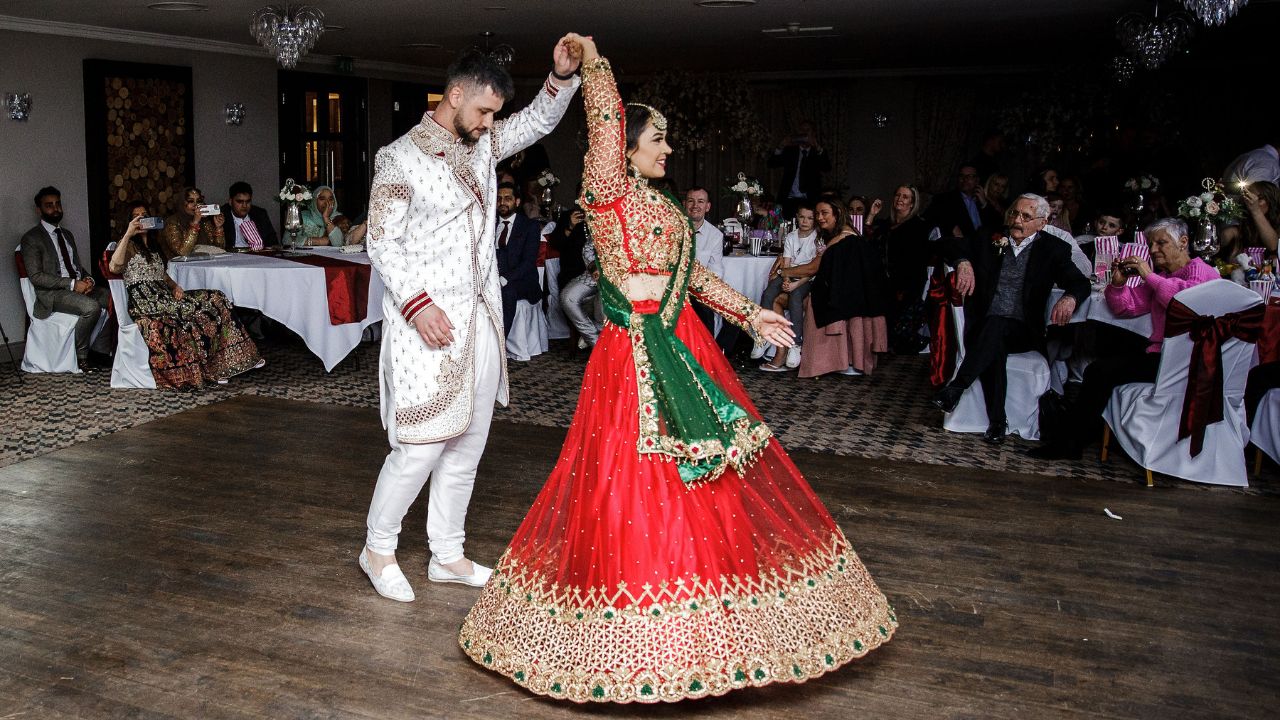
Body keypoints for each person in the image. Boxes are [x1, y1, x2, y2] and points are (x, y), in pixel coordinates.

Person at [458, 35, 896, 704]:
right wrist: (595, 66)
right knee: (630, 480)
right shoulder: (608, 194)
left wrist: (754, 317)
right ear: (626, 149)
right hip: (631, 355)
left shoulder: (663, 209)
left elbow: (693, 280)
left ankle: (708, 627)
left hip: (682, 345)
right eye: (657, 140)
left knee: (704, 476)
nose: (667, 150)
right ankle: (632, 635)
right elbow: (603, 121)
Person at [359, 41, 581, 603]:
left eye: (493, 116)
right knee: (421, 445)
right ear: (454, 95)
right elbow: (382, 242)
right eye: (483, 110)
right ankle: (377, 549)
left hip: (481, 321)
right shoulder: (398, 158)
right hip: (424, 324)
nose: (489, 124)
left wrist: (559, 77)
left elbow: (535, 121)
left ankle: (447, 554)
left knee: (467, 445)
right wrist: (417, 304)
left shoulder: (482, 143)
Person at [1030, 217, 1219, 459]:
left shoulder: (1202, 272)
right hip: (1164, 355)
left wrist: (1149, 275)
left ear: (1183, 242)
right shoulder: (1163, 275)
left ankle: (1072, 441)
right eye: (1151, 244)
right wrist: (1118, 285)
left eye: (1161, 243)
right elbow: (1126, 308)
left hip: (1187, 362)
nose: (1153, 250)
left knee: (1101, 371)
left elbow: (1182, 304)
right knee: (1104, 361)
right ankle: (1077, 436)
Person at [931, 194, 1090, 443]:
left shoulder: (1053, 249)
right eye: (1015, 213)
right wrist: (962, 261)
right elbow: (944, 245)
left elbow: (1080, 282)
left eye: (1026, 217)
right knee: (995, 337)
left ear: (1042, 222)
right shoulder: (989, 237)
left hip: (1023, 331)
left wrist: (1070, 298)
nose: (1017, 220)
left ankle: (957, 388)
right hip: (984, 325)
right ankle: (997, 422)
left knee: (998, 328)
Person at [108, 201, 263, 389]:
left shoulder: (153, 246)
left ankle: (227, 363)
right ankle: (211, 368)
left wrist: (175, 286)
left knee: (216, 297)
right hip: (147, 301)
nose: (142, 220)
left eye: (144, 216)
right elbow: (114, 266)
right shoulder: (129, 245)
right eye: (136, 217)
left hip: (164, 294)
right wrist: (127, 234)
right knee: (192, 311)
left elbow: (161, 274)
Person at [18, 186, 111, 371]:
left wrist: (88, 279)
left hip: (75, 287)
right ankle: (81, 357)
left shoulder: (67, 234)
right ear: (39, 210)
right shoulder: (31, 238)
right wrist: (72, 284)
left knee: (111, 298)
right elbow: (36, 277)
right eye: (49, 205)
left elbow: (76, 267)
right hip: (52, 294)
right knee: (91, 307)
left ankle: (99, 351)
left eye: (58, 204)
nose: (56, 209)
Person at [797, 195, 889, 378]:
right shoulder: (848, 234)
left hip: (846, 297)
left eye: (824, 213)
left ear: (837, 214)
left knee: (808, 297)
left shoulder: (841, 237)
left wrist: (784, 271)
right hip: (856, 295)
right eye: (817, 214)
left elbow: (813, 268)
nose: (820, 218)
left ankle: (795, 350)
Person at [756, 202, 819, 370]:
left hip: (805, 278)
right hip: (788, 273)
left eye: (810, 218)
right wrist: (785, 278)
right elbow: (787, 261)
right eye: (802, 217)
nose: (805, 221)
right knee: (768, 293)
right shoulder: (791, 236)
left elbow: (812, 269)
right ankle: (763, 334)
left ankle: (796, 343)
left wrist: (795, 283)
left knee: (796, 296)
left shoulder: (816, 238)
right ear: (797, 217)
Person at [873, 184, 934, 352]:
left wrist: (903, 288)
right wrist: (871, 215)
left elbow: (917, 261)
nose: (900, 199)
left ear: (912, 203)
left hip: (905, 284)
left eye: (905, 197)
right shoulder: (887, 224)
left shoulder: (918, 226)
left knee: (899, 329)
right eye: (898, 195)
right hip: (885, 282)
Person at [494, 181, 542, 342]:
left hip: (522, 281)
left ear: (517, 201)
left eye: (507, 198)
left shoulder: (530, 226)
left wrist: (503, 279)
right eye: (499, 198)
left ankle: (499, 342)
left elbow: (528, 262)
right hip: (493, 278)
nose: (502, 202)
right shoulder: (489, 225)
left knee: (507, 292)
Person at [768, 120, 831, 218]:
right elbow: (772, 163)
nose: (804, 133)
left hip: (810, 200)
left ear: (813, 133)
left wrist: (817, 146)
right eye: (802, 130)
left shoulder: (817, 153)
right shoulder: (790, 151)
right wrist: (781, 145)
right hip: (789, 199)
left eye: (807, 130)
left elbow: (827, 167)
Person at [1218, 180, 1279, 259]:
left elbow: (1273, 246)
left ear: (1271, 201)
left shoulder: (1277, 221)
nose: (1252, 202)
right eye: (1248, 198)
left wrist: (1255, 210)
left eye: (1259, 198)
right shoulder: (1241, 228)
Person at [162, 186, 225, 257]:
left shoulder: (204, 221)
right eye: (191, 201)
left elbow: (219, 250)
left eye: (198, 201)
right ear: (182, 203)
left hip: (205, 263)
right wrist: (195, 223)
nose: (195, 205)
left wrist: (218, 228)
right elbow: (182, 252)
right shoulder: (172, 222)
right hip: (182, 266)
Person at [220, 181, 279, 250]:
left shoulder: (260, 214)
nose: (244, 206)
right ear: (230, 202)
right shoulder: (222, 215)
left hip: (258, 256)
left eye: (248, 201)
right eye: (240, 201)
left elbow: (272, 241)